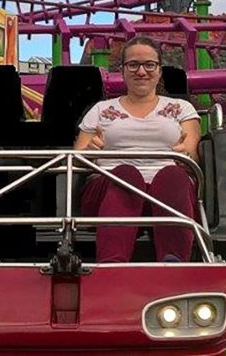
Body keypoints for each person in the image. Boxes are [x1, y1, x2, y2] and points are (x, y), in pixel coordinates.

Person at [75, 36, 202, 263]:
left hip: (167, 190)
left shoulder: (183, 109)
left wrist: (185, 152)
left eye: (149, 65)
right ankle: (112, 264)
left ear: (159, 70)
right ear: (122, 71)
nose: (141, 71)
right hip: (109, 186)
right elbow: (76, 160)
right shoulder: (100, 109)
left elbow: (191, 149)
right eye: (133, 65)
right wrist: (91, 150)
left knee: (174, 174)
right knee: (127, 174)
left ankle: (173, 261)